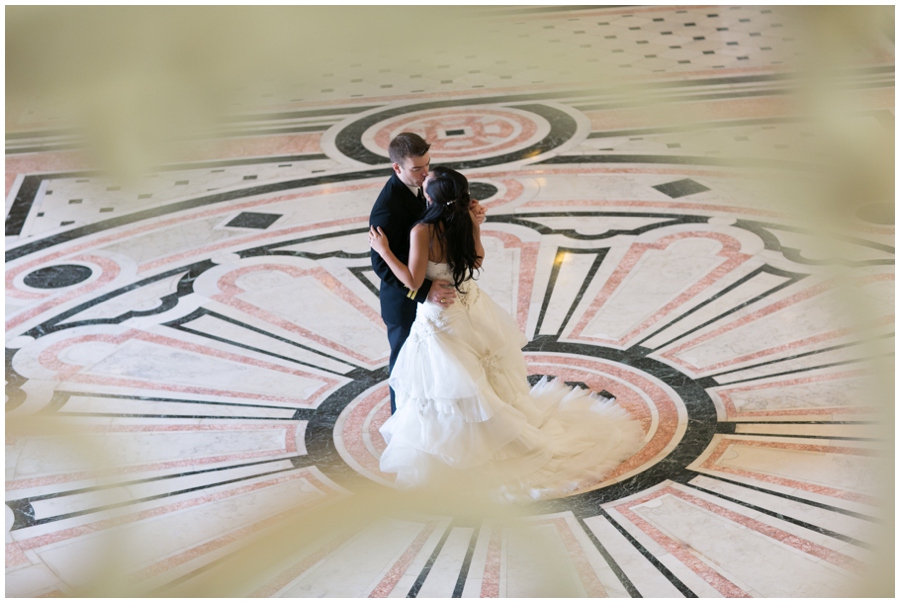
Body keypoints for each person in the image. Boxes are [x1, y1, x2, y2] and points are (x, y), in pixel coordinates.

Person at [368, 167, 644, 501]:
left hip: (442, 318)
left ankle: (465, 452)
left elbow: (412, 282)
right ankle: (505, 433)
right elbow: (478, 257)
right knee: (481, 376)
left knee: (450, 387)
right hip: (471, 304)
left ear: (429, 197)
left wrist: (383, 251)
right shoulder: (466, 219)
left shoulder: (422, 231)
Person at [369, 133, 460, 414]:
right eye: (417, 169)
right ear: (397, 168)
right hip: (402, 304)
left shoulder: (422, 186)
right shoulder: (387, 209)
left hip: (427, 298)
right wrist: (423, 290)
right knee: (404, 366)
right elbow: (381, 265)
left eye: (427, 165)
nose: (425, 174)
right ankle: (401, 423)